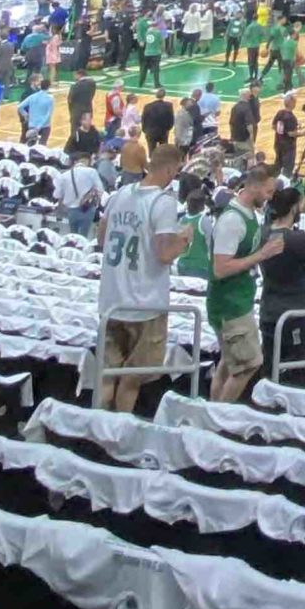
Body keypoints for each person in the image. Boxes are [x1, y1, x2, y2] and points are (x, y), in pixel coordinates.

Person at [95, 140, 189, 413]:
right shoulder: (163, 202)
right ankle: (118, 438)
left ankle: (96, 429)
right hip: (144, 306)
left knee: (108, 375)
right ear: (170, 170)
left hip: (112, 300)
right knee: (132, 380)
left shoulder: (120, 194)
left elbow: (102, 237)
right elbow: (163, 254)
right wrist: (184, 240)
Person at [206, 153, 283, 402]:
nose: (270, 198)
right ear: (256, 187)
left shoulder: (248, 214)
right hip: (230, 304)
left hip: (238, 301)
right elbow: (220, 268)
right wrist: (262, 254)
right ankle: (219, 418)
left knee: (229, 365)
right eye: (269, 192)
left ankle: (211, 414)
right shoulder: (233, 220)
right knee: (250, 363)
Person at [258, 183, 305, 380]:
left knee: (269, 364)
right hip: (295, 311)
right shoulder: (296, 239)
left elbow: (282, 219)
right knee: (292, 368)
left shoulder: (263, 233)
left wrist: (297, 207)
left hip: (268, 310)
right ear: (292, 209)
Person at [54, 150, 104, 238]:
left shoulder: (64, 175)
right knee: (83, 236)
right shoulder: (92, 172)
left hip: (71, 209)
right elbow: (100, 189)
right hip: (87, 207)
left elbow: (57, 195)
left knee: (72, 235)